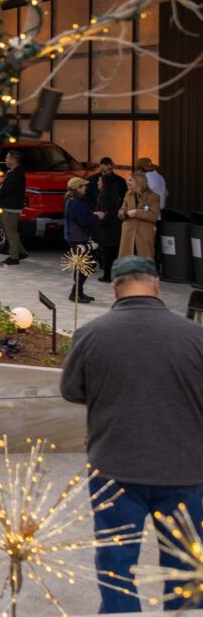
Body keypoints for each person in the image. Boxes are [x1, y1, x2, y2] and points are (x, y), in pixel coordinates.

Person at [60, 255, 203, 612]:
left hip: (113, 469)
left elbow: (71, 391)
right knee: (186, 565)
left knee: (116, 566)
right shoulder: (196, 337)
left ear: (115, 289)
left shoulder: (91, 335)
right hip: (185, 470)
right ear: (156, 284)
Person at [87, 157, 127, 283]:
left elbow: (123, 198)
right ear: (101, 166)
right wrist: (93, 210)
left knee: (108, 248)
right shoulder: (92, 180)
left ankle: (108, 272)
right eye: (107, 165)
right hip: (99, 216)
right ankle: (101, 267)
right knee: (101, 245)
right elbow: (87, 196)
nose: (110, 167)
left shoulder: (119, 182)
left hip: (108, 220)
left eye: (111, 165)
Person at [63, 177, 103, 303]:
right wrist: (97, 216)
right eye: (83, 186)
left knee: (84, 265)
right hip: (78, 237)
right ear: (78, 188)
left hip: (74, 236)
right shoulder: (76, 202)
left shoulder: (71, 200)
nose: (86, 188)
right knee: (85, 266)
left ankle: (77, 292)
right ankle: (76, 294)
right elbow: (84, 220)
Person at [119, 170, 161, 259]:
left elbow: (154, 216)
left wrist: (136, 212)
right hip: (128, 234)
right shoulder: (128, 194)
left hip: (144, 234)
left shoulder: (153, 196)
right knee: (127, 262)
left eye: (130, 180)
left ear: (139, 182)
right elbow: (121, 212)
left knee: (144, 261)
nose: (127, 182)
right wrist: (126, 213)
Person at [0, 149, 28, 265]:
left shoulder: (16, 174)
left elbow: (4, 190)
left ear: (14, 160)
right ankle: (21, 251)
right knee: (10, 230)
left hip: (11, 207)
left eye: (7, 158)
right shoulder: (12, 172)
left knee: (11, 233)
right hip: (8, 206)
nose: (6, 160)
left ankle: (14, 257)